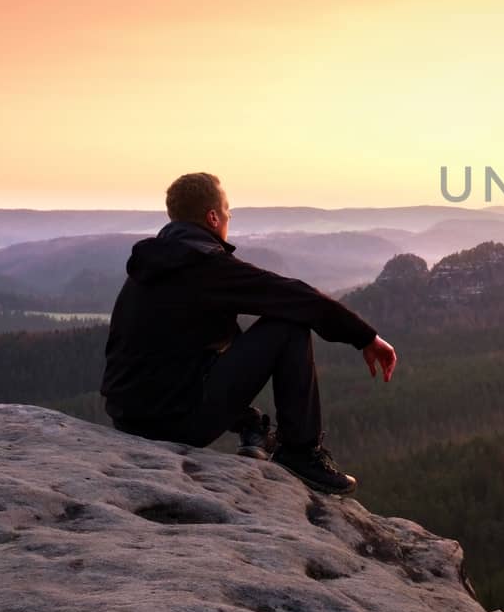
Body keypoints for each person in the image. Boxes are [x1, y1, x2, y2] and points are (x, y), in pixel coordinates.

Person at [100, 172, 398, 495]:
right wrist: (365, 337)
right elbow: (296, 296)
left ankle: (252, 426)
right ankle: (299, 453)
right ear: (212, 217)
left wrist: (243, 418)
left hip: (128, 420)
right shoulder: (206, 266)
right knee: (290, 324)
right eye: (227, 211)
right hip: (175, 425)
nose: (229, 217)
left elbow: (175, 357)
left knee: (227, 336)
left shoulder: (148, 269)